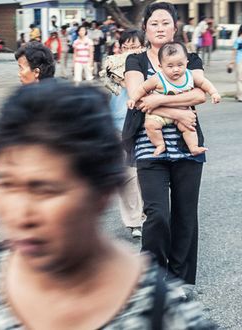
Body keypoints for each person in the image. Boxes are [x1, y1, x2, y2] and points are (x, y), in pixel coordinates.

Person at [0, 80, 216, 329]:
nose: (21, 213)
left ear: (102, 193)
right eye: (6, 184)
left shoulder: (160, 314)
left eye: (45, 190)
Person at [124, 2, 209, 292]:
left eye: (165, 23)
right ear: (145, 29)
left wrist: (160, 102)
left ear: (175, 28)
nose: (160, 28)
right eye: (154, 23)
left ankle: (179, 280)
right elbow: (138, 98)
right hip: (150, 148)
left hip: (188, 147)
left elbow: (200, 94)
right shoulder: (135, 61)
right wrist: (177, 111)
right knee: (157, 214)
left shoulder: (190, 58)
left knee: (185, 214)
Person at [127, 42, 219, 157]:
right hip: (160, 114)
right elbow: (142, 88)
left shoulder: (190, 75)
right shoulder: (157, 78)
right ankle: (160, 144)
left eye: (180, 65)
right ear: (161, 66)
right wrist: (133, 99)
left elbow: (203, 83)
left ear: (187, 63)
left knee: (189, 128)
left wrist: (214, 92)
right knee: (150, 125)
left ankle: (193, 147)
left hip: (183, 113)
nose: (175, 69)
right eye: (170, 66)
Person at [100, 29, 146, 238]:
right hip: (119, 125)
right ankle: (134, 221)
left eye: (133, 46)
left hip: (144, 125)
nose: (128, 50)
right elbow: (110, 90)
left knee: (146, 174)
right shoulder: (111, 65)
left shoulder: (148, 65)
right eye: (124, 46)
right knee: (128, 175)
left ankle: (147, 214)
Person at [229, 24, 242, 102]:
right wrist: (232, 62)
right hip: (239, 62)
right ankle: (241, 96)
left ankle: (238, 94)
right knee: (239, 79)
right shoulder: (238, 40)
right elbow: (234, 51)